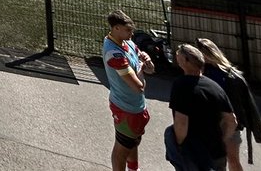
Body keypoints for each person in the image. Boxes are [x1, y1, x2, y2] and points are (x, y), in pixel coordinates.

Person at [167, 44, 243, 171]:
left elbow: (181, 123)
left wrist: (179, 146)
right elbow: (232, 121)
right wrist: (221, 141)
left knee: (169, 132)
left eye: (178, 56)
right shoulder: (215, 87)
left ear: (186, 61)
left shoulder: (181, 85)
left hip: (194, 153)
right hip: (216, 153)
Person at [195, 38, 261, 164]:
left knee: (231, 159)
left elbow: (244, 104)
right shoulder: (203, 73)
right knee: (215, 160)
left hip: (227, 123)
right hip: (212, 124)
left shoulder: (229, 75)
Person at [103, 10, 155, 171]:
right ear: (116, 28)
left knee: (133, 141)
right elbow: (139, 87)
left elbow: (150, 70)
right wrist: (140, 68)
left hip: (136, 107)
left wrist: (148, 62)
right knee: (121, 150)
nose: (132, 33)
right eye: (128, 30)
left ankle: (133, 168)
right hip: (126, 109)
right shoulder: (114, 54)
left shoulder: (129, 43)